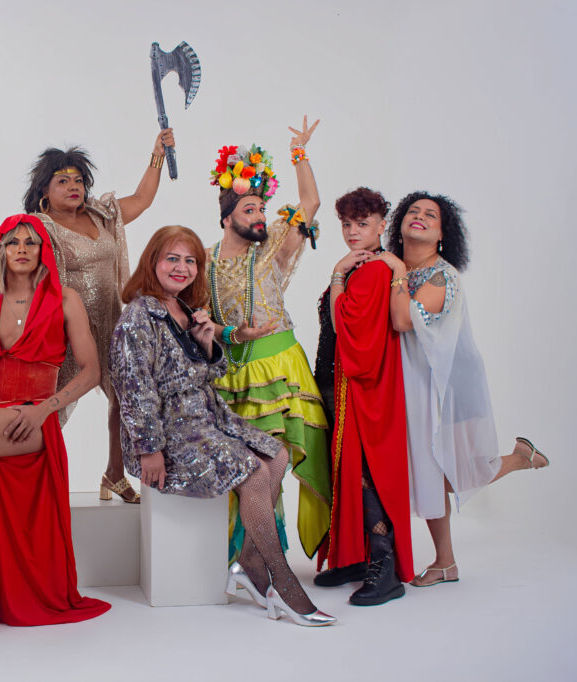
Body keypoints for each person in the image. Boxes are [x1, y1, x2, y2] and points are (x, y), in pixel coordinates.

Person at [110, 225, 334, 626]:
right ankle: (283, 584)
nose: (181, 268)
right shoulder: (139, 316)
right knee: (253, 473)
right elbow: (133, 387)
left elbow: (212, 372)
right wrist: (149, 449)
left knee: (276, 455)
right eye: (172, 259)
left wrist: (207, 343)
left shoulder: (185, 310)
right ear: (152, 262)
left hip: (209, 418)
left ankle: (248, 562)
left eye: (190, 261)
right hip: (172, 433)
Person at [0, 214, 111, 628]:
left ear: (44, 251)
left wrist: (43, 410)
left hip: (33, 423)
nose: (23, 249)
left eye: (31, 242)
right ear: (1, 250)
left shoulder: (66, 299)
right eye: (13, 242)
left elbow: (91, 372)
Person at [376, 191, 550, 586]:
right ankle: (446, 563)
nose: (420, 216)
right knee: (429, 470)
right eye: (413, 211)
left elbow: (402, 320)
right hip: (412, 384)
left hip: (448, 386)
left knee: (450, 469)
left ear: (442, 235)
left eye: (430, 215)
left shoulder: (443, 276)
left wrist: (396, 269)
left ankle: (519, 459)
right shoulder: (392, 268)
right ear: (399, 224)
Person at [204, 118, 331, 572]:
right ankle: (246, 557)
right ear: (227, 217)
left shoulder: (273, 248)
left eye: (262, 208)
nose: (260, 216)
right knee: (247, 468)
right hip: (234, 378)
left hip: (280, 369)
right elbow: (200, 324)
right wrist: (230, 335)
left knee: (273, 462)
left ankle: (257, 559)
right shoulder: (204, 262)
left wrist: (299, 153)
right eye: (249, 209)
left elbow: (310, 203)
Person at [23, 128, 175, 504]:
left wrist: (157, 154)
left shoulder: (101, 215)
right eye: (62, 181)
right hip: (67, 331)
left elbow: (142, 199)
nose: (73, 186)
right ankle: (30, 479)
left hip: (112, 324)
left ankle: (114, 473)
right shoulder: (37, 228)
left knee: (125, 399)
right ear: (44, 191)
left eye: (78, 180)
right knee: (51, 407)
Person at [311, 188, 413, 605]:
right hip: (339, 380)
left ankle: (384, 567)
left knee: (366, 472)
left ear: (381, 225)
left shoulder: (371, 270)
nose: (353, 232)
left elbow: (345, 325)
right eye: (347, 224)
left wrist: (337, 273)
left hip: (361, 387)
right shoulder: (364, 264)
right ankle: (356, 557)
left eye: (363, 224)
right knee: (347, 471)